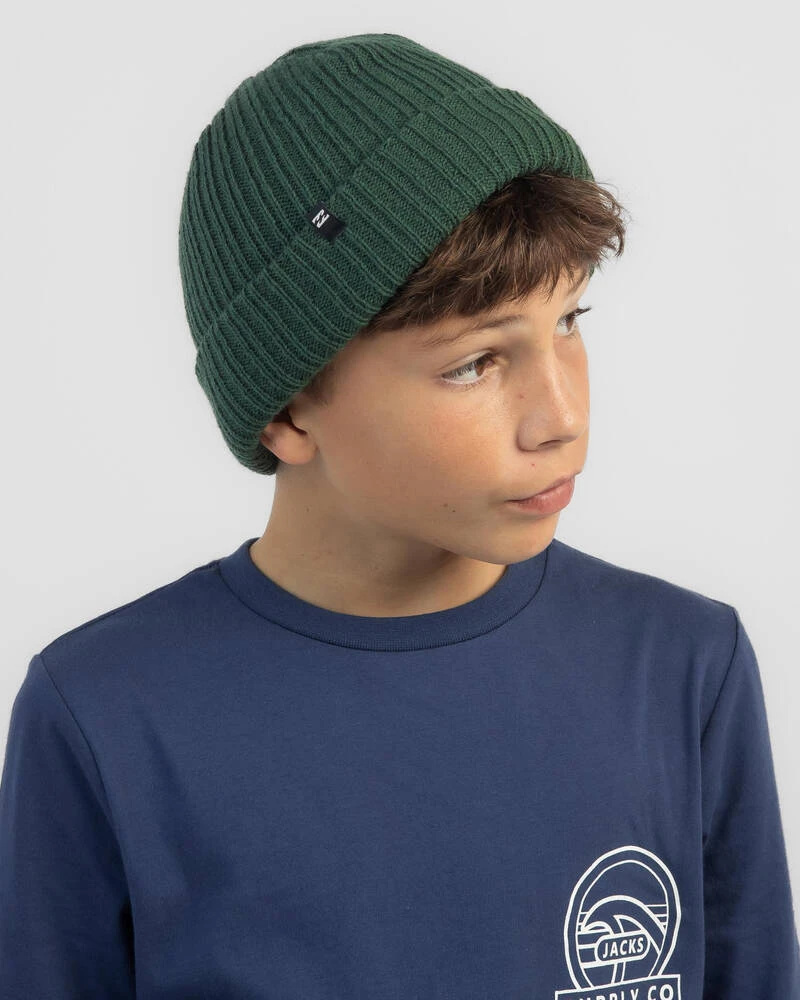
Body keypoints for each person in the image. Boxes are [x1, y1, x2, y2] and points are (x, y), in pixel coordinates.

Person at [1, 31, 798, 1000]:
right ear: (290, 409)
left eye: (568, 323)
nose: (561, 417)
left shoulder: (681, 667)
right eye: (474, 363)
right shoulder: (106, 716)